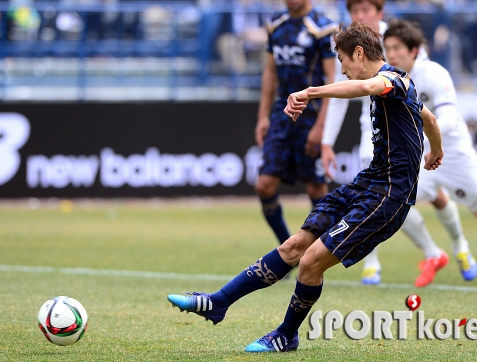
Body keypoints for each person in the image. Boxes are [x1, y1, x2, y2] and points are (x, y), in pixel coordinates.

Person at [167, 21, 443, 353]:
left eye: (342, 61)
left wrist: (310, 91)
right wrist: (435, 151)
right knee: (294, 246)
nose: (341, 70)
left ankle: (286, 335)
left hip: (388, 197)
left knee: (311, 261)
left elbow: (368, 88)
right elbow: (430, 119)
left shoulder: (391, 80)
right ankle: (218, 302)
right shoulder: (402, 85)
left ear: (359, 53)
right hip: (366, 184)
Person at [372, 18, 477, 286]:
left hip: (453, 154)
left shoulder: (434, 73)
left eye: (397, 48)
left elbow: (446, 119)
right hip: (421, 157)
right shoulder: (388, 78)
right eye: (387, 47)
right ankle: (434, 253)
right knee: (392, 203)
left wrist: (425, 142)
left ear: (414, 50)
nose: (391, 54)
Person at [321, 0, 448, 288]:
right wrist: (327, 141)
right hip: (374, 128)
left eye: (366, 10)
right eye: (355, 11)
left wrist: (310, 92)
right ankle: (374, 263)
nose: (360, 15)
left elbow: (404, 84)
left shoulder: (396, 45)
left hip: (400, 128)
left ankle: (449, 249)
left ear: (379, 13)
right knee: (379, 195)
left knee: (399, 196)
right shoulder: (350, 53)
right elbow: (349, 94)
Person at [254, 0, 336, 247]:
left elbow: (332, 80)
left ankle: (321, 252)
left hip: (311, 114)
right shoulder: (275, 25)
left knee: (314, 188)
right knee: (264, 185)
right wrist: (263, 116)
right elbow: (270, 72)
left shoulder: (323, 28)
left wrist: (322, 126)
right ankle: (287, 249)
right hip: (282, 113)